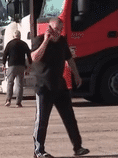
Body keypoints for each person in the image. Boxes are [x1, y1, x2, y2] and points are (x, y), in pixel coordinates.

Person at [30, 18, 89, 158]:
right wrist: (46, 40)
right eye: (56, 29)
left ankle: (78, 147)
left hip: (60, 86)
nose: (58, 32)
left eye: (60, 29)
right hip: (43, 87)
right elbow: (34, 58)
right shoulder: (38, 40)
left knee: (70, 118)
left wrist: (76, 75)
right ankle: (39, 151)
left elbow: (69, 59)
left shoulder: (62, 41)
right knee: (42, 120)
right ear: (49, 28)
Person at [2, 30, 32, 108]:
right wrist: (30, 65)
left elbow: (5, 54)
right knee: (19, 84)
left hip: (12, 66)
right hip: (21, 66)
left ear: (13, 36)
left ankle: (8, 100)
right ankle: (18, 102)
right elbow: (29, 55)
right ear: (20, 36)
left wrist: (3, 64)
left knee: (10, 83)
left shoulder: (10, 44)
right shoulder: (24, 44)